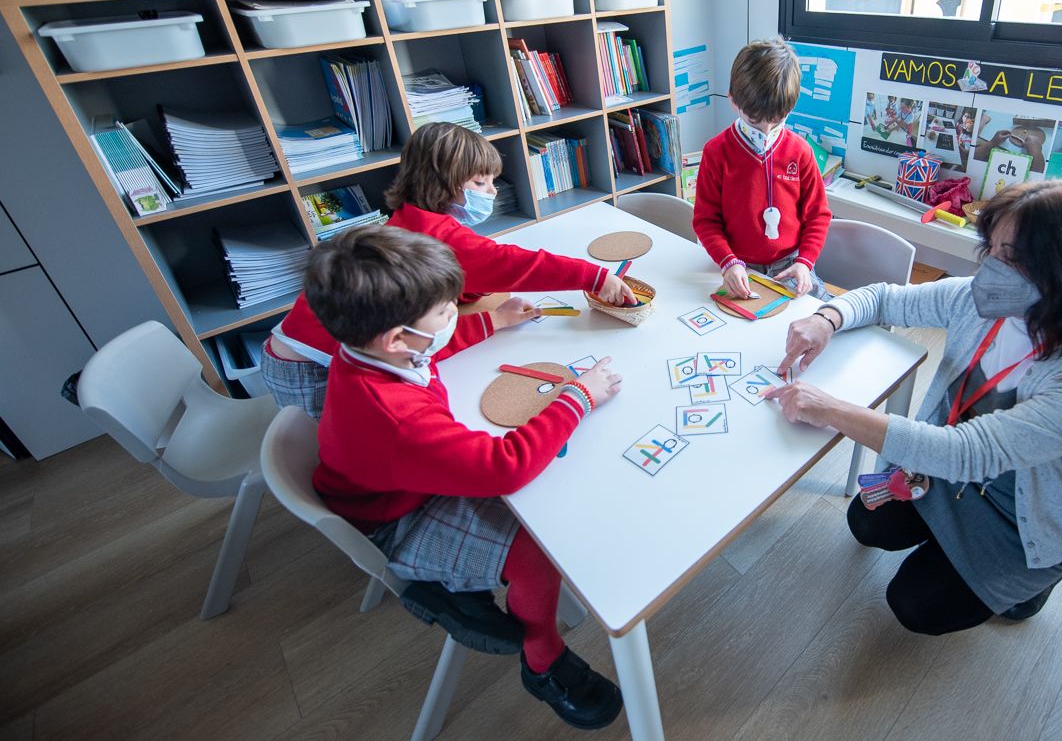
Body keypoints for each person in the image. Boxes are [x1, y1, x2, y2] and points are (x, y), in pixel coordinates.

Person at [763, 180, 1062, 635]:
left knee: (914, 605)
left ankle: (1029, 588)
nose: (990, 267)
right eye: (991, 247)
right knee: (867, 523)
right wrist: (825, 318)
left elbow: (963, 452)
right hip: (945, 478)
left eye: (1010, 255)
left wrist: (831, 410)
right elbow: (885, 298)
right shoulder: (986, 301)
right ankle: (946, 543)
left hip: (1024, 522)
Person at [307, 225, 625, 729]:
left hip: (396, 483)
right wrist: (578, 397)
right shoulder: (396, 418)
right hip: (394, 520)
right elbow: (507, 468)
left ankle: (463, 589)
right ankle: (542, 660)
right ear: (396, 339)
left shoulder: (371, 355)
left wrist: (491, 322)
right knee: (541, 541)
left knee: (548, 504)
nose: (458, 310)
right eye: (446, 310)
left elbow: (431, 354)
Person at [262, 122, 634, 419]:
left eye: (490, 181)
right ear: (439, 182)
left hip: (295, 348)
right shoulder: (439, 235)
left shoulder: (409, 217)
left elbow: (462, 279)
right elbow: (513, 264)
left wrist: (485, 313)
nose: (490, 191)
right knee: (353, 450)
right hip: (310, 368)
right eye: (478, 183)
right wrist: (596, 276)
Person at [692, 37, 832, 301]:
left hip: (791, 266)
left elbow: (818, 216)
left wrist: (805, 262)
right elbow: (705, 220)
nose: (766, 131)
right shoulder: (716, 152)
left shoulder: (801, 152)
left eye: (777, 121)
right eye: (755, 121)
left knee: (827, 320)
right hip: (739, 268)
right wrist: (728, 262)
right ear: (733, 100)